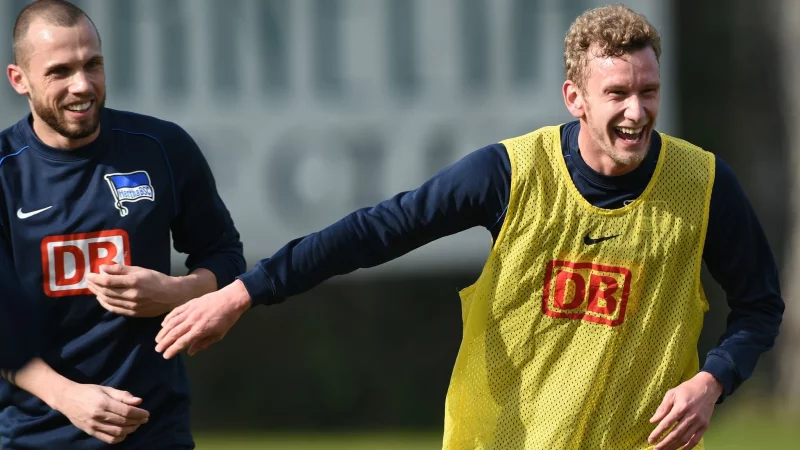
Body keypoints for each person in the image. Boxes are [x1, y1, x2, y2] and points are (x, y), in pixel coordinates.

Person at [155, 4, 784, 450]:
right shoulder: (510, 174)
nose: (637, 111)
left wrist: (713, 380)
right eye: (617, 92)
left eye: (648, 91)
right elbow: (375, 231)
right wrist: (244, 292)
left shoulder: (703, 184)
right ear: (575, 98)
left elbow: (759, 306)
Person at [0, 0, 245, 448]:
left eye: (92, 64)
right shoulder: (4, 173)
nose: (82, 85)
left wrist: (177, 291)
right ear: (20, 79)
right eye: (59, 72)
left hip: (156, 430)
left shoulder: (161, 147)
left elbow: (225, 255)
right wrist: (68, 397)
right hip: (36, 436)